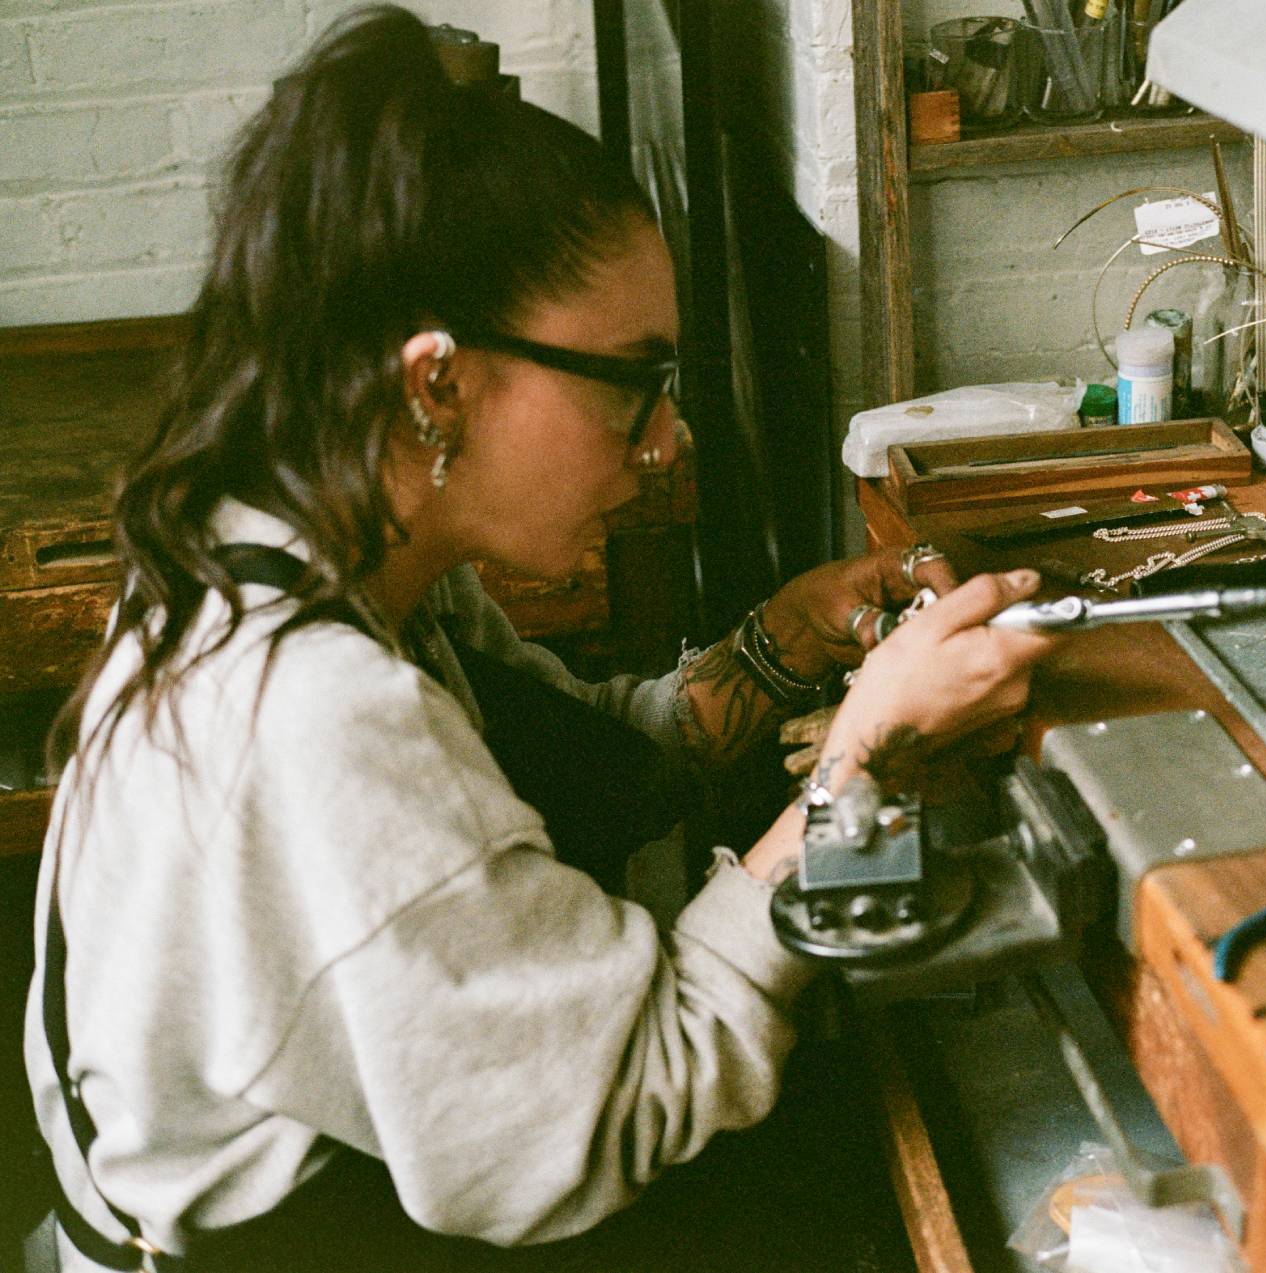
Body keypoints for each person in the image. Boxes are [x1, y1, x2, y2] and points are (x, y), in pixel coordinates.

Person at [21, 7, 1054, 1270]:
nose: (667, 439)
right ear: (437, 383)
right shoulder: (310, 710)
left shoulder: (317, 542)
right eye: (635, 382)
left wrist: (784, 642)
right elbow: (632, 1097)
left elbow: (559, 763)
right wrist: (858, 767)